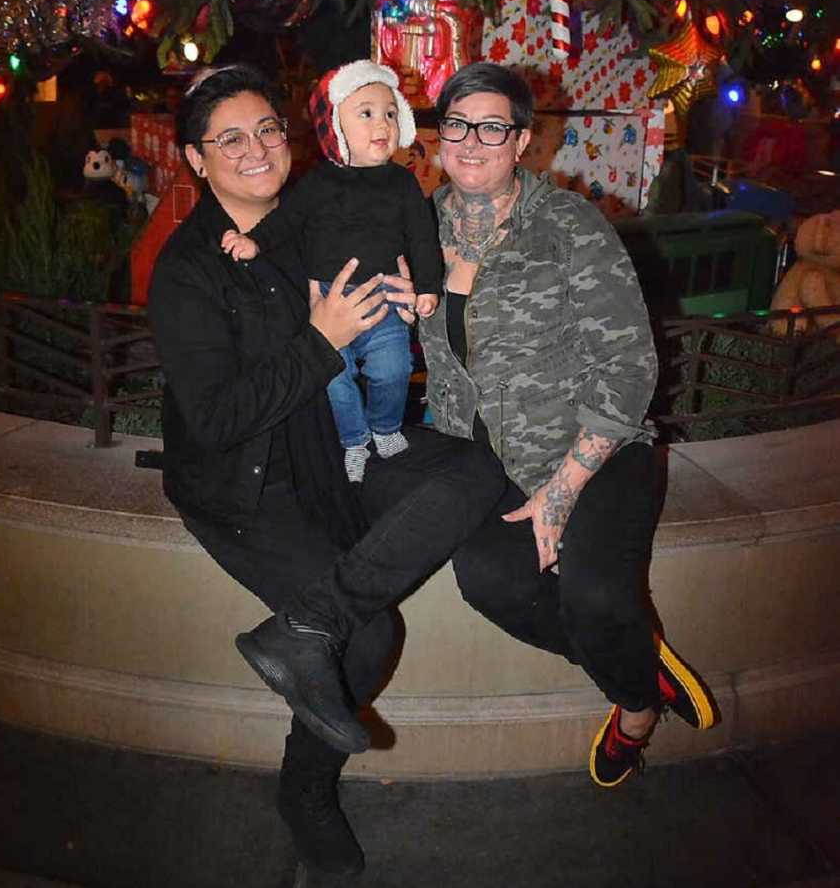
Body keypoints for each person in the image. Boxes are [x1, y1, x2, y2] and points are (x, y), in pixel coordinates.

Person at [147, 64, 506, 877]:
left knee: (475, 473)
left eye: (268, 128)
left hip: (333, 448)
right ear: (195, 160)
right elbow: (217, 418)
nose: (256, 148)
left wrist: (419, 289)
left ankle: (306, 622)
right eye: (228, 138)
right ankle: (304, 789)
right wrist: (323, 337)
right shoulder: (189, 271)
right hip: (249, 484)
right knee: (371, 631)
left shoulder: (314, 214)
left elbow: (402, 250)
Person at [417, 61, 717, 788]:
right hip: (483, 457)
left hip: (598, 445)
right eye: (457, 122)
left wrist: (563, 487)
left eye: (493, 125)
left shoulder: (567, 225)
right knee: (490, 581)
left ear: (523, 141)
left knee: (596, 595)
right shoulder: (416, 228)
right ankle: (639, 659)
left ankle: (636, 707)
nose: (472, 139)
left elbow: (629, 363)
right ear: (437, 136)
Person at [221, 60, 443, 483]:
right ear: (336, 127)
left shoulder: (403, 184)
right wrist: (254, 242)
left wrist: (427, 287)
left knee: (394, 370)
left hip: (384, 302)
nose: (383, 123)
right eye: (366, 113)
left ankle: (385, 427)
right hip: (328, 300)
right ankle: (354, 441)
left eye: (391, 113)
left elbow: (421, 239)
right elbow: (286, 220)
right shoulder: (319, 182)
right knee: (334, 378)